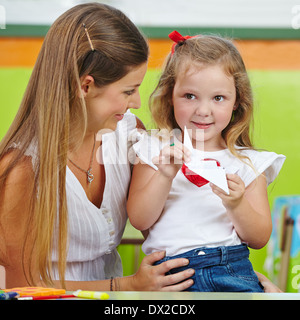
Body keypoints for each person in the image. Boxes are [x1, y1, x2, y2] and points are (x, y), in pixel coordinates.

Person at [0, 5, 195, 291]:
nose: (137, 102)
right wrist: (125, 285)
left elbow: (171, 228)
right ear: (86, 86)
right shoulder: (23, 168)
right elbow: (25, 287)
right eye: (128, 91)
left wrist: (240, 278)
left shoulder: (129, 134)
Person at [127, 31, 286, 292]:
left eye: (218, 98)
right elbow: (139, 219)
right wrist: (165, 175)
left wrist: (236, 204)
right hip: (172, 277)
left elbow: (259, 238)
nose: (203, 110)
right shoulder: (153, 148)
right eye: (190, 96)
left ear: (237, 102)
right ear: (170, 95)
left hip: (232, 270)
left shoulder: (246, 161)